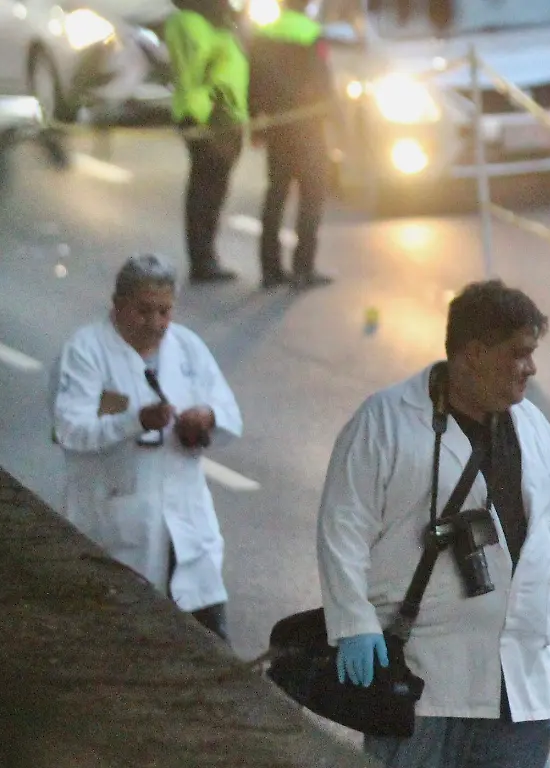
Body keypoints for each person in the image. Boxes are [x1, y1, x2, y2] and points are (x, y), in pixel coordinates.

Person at [317, 280, 550, 768]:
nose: (530, 367)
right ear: (473, 354)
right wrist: (354, 625)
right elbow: (342, 527)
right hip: (423, 684)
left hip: (522, 685)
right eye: (518, 353)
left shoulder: (533, 426)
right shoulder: (386, 421)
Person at [51, 254, 244, 639]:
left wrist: (205, 419)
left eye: (165, 312)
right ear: (118, 304)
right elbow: (70, 430)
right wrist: (134, 421)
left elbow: (230, 415)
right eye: (144, 311)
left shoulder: (187, 348)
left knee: (209, 649)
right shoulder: (86, 351)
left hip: (189, 532)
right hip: (118, 530)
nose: (156, 324)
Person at [247, 0, 334, 289]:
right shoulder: (311, 32)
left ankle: (269, 270)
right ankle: (303, 268)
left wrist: (256, 121)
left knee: (276, 193)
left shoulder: (265, 32)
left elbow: (254, 80)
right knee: (311, 195)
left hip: (276, 126)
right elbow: (322, 82)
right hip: (307, 126)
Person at [164, 0, 249, 284]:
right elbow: (195, 71)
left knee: (213, 189)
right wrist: (212, 108)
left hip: (224, 116)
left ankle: (206, 257)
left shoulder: (216, 20)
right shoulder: (191, 22)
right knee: (206, 189)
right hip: (207, 116)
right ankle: (202, 261)